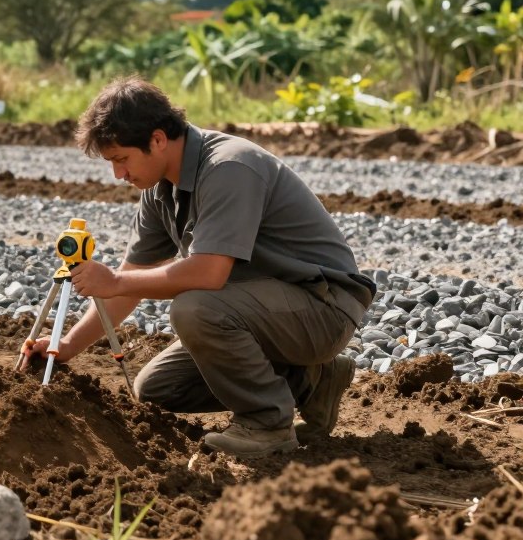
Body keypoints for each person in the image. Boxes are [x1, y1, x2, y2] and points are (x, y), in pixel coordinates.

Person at [28, 76, 375, 458]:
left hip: (323, 307)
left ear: (157, 139)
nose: (119, 175)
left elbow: (208, 273)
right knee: (157, 390)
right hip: (269, 309)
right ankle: (314, 381)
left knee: (195, 309)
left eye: (121, 159)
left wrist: (114, 279)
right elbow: (127, 286)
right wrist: (66, 346)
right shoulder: (160, 190)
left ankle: (268, 424)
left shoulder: (229, 167)